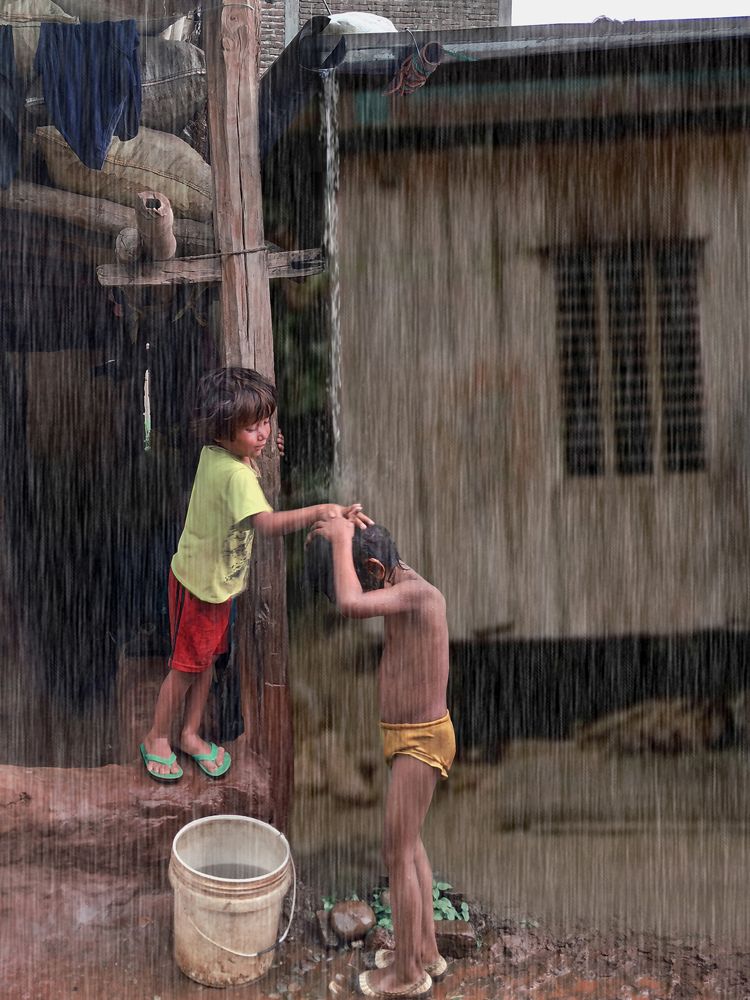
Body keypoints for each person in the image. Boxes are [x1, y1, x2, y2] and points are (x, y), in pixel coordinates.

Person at [140, 367, 369, 781]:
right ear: (223, 432)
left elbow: (243, 467)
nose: (264, 433)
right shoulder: (235, 473)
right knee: (185, 668)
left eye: (266, 422)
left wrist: (255, 448)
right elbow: (264, 523)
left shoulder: (220, 454)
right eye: (252, 428)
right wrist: (321, 510)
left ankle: (190, 735)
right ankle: (157, 736)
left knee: (205, 663)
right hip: (199, 588)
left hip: (214, 585)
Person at [306, 520, 454, 1000]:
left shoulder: (421, 596)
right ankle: (426, 950)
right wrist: (338, 524)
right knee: (410, 847)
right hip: (407, 737)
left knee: (395, 852)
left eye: (359, 573)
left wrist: (343, 539)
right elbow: (356, 578)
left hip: (421, 742)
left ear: (372, 568)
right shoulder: (391, 574)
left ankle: (407, 974)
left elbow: (352, 604)